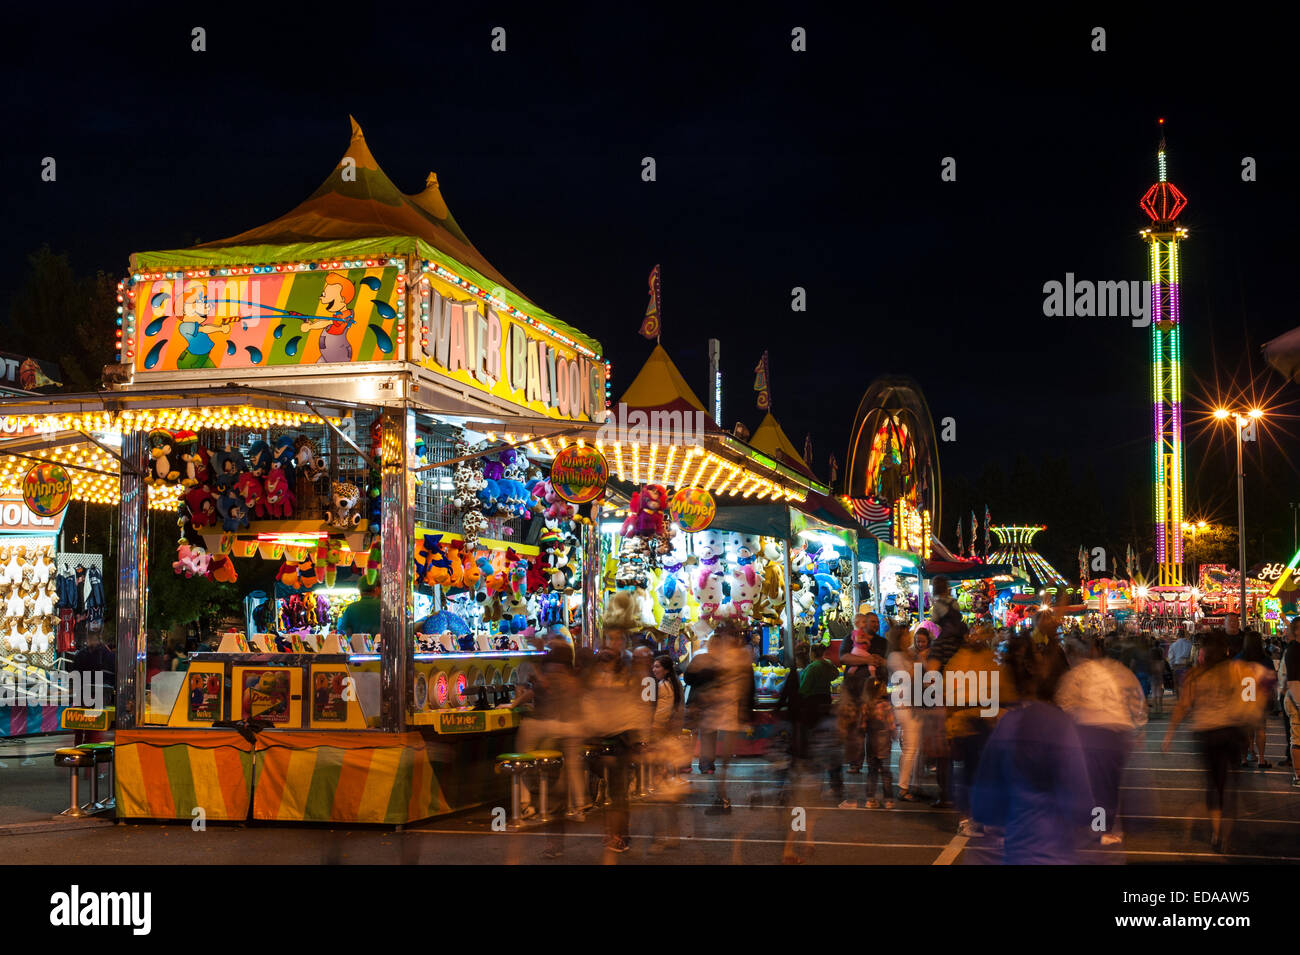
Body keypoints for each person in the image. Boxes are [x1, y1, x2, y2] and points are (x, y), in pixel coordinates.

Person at [971, 632, 1093, 863]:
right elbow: (1082, 802)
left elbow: (983, 805)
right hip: (1057, 851)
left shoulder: (1006, 725)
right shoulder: (1059, 724)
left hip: (1017, 850)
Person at [1163, 631, 1270, 850]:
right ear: (1226, 651)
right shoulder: (1237, 669)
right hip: (1232, 732)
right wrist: (1252, 717)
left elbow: (1183, 706)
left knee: (1214, 785)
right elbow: (1256, 690)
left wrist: (1169, 734)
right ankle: (1227, 833)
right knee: (1233, 784)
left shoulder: (1195, 675)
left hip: (1207, 733)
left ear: (1203, 653)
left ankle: (1216, 832)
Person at [1056, 635, 1147, 846]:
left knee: (1095, 786)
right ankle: (1103, 828)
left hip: (1090, 735)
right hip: (1117, 735)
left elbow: (1064, 706)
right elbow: (1136, 699)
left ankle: (1098, 829)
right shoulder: (1119, 671)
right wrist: (1139, 727)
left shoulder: (1078, 674)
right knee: (1109, 786)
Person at [945, 624, 1005, 835]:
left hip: (985, 723)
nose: (978, 639)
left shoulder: (989, 659)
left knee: (985, 774)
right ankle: (966, 818)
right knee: (968, 775)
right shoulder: (959, 661)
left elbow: (999, 688)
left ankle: (982, 816)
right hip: (966, 725)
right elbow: (950, 696)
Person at [798, 641, 843, 803]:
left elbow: (803, 689)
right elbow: (836, 675)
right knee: (827, 740)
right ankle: (834, 783)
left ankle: (815, 782)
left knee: (813, 742)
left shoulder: (812, 668)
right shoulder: (828, 665)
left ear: (812, 653)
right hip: (826, 701)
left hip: (812, 706)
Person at [887, 626, 924, 802]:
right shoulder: (895, 656)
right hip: (904, 705)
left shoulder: (905, 654)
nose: (909, 638)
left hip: (911, 703)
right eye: (906, 636)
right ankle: (903, 787)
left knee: (912, 748)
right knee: (910, 747)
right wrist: (917, 662)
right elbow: (906, 677)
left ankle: (909, 784)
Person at [1236, 631, 1276, 768]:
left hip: (1243, 699)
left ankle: (1244, 758)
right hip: (1259, 700)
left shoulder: (1238, 659)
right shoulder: (1266, 660)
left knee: (1245, 730)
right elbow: (1271, 681)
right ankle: (1261, 759)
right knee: (1260, 729)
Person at [1282, 617, 1300, 785]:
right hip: (1296, 698)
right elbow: (1293, 679)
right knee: (1298, 739)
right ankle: (1298, 775)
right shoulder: (1293, 651)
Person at [1166, 628, 1194, 700]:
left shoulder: (1173, 645)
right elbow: (1192, 656)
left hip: (1177, 666)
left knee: (1178, 685)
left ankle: (1179, 701)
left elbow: (1171, 657)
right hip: (1187, 666)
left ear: (1178, 635)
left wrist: (1171, 666)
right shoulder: (1189, 644)